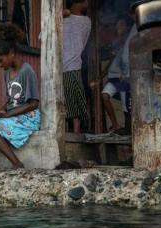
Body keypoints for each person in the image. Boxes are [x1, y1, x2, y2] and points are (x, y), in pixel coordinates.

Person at [0, 23, 40, 169]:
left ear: (11, 53)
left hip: (28, 117)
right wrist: (1, 110)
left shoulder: (26, 71)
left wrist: (8, 114)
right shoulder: (6, 72)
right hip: (13, 114)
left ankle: (17, 164)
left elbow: (33, 103)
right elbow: (11, 100)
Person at [102, 16, 137, 134]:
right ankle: (116, 125)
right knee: (105, 96)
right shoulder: (116, 42)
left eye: (121, 26)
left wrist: (126, 74)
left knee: (126, 108)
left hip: (125, 78)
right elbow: (112, 60)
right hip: (114, 77)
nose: (119, 29)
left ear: (127, 27)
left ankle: (130, 133)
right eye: (117, 26)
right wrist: (100, 77)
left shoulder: (132, 39)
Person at [63, 0, 92, 134]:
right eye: (85, 0)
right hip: (67, 65)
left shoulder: (84, 21)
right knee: (71, 98)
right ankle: (74, 130)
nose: (87, 3)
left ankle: (76, 131)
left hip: (71, 64)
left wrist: (60, 16)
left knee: (73, 98)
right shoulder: (82, 21)